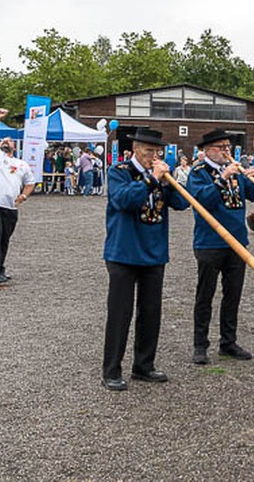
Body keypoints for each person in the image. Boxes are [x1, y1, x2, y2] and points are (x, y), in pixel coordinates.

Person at [101, 128, 190, 391]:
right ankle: (111, 370)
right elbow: (124, 200)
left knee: (151, 312)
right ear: (136, 149)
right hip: (124, 252)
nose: (154, 155)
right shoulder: (119, 171)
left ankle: (144, 365)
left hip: (154, 253)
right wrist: (152, 179)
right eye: (148, 150)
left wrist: (167, 181)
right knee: (120, 313)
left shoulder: (162, 175)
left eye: (157, 151)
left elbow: (182, 204)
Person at [186, 129, 254, 364]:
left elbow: (250, 195)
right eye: (221, 148)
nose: (226, 152)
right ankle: (200, 344)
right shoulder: (198, 172)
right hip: (210, 242)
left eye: (228, 148)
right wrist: (221, 179)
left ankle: (228, 342)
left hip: (237, 241)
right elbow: (201, 201)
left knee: (233, 294)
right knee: (205, 295)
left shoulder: (236, 171)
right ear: (208, 150)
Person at [0, 109, 35, 286]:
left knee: (4, 238)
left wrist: (23, 196)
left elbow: (30, 182)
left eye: (9, 140)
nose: (5, 141)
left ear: (15, 146)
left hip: (10, 206)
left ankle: (0, 268)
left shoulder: (21, 164)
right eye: (3, 140)